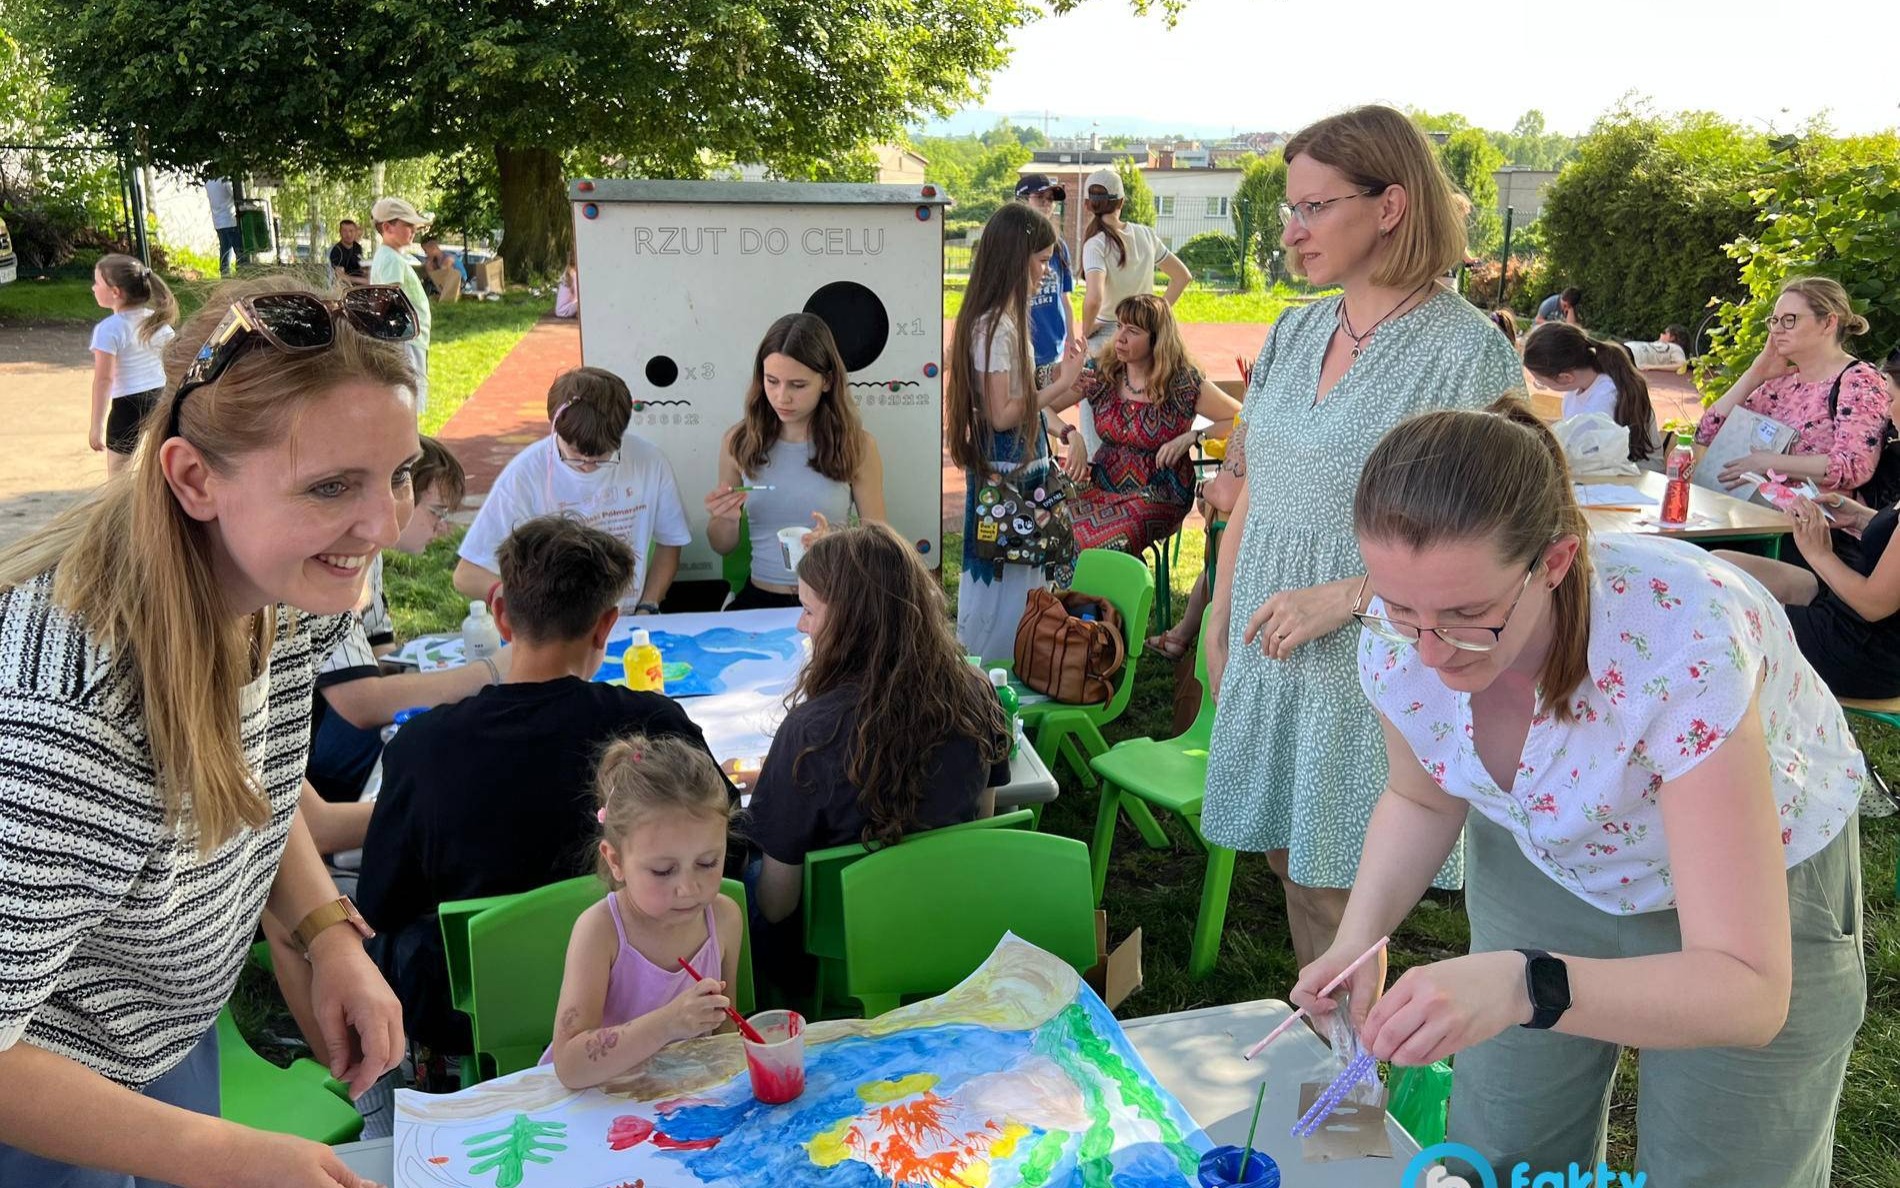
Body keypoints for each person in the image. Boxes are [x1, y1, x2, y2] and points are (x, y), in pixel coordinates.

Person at [1294, 400, 1866, 1186]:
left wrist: (1524, 984)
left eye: (1469, 615)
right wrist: (1358, 941)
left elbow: (1748, 992)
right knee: (1504, 1152)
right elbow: (1422, 799)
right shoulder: (1401, 641)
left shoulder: (1682, 641)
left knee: (1722, 1166)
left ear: (1556, 562)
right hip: (1546, 860)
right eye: (1400, 609)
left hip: (1751, 885)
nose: (1430, 654)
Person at [0, 276, 414, 1186]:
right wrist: (219, 1156)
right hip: (40, 1102)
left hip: (157, 1033)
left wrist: (325, 931)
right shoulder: (66, 726)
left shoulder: (281, 587)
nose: (384, 523)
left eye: (398, 473)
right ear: (192, 478)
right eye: (332, 486)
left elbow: (247, 780)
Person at [1201, 104, 1525, 975]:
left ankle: (1355, 1052)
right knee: (1286, 859)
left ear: (1390, 205)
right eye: (1291, 209)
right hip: (1271, 634)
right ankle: (1333, 1039)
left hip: (1378, 648)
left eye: (1314, 207)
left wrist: (1347, 596)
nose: (1291, 231)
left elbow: (1504, 540)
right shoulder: (1294, 329)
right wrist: (1218, 614)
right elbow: (1258, 487)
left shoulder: (1466, 354)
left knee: (1343, 888)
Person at [359, 514, 727, 1057]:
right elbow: (728, 849)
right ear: (605, 626)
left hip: (474, 1015)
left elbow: (379, 906)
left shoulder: (421, 746)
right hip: (649, 996)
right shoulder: (658, 725)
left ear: (501, 616)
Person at [746, 523, 1011, 928]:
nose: (801, 625)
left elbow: (777, 905)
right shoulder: (977, 691)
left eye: (809, 611)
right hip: (952, 919)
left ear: (850, 622)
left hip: (844, 946)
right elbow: (984, 824)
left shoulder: (809, 734)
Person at [545, 733, 743, 1090]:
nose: (689, 888)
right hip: (598, 1103)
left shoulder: (725, 918)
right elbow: (570, 1066)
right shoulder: (600, 931)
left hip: (679, 1099)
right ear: (616, 861)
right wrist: (669, 1023)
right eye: (663, 871)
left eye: (708, 862)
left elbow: (725, 1034)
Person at [306, 436, 491, 803]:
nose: (443, 528)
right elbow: (361, 701)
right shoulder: (333, 564)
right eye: (436, 512)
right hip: (316, 755)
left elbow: (384, 654)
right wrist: (489, 672)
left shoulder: (367, 560)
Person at [946, 202, 1089, 662]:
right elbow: (1002, 414)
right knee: (1008, 583)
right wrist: (1063, 384)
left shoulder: (1001, 321)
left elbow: (1015, 400)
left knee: (1020, 578)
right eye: (1042, 260)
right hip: (1007, 477)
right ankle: (998, 674)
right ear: (1016, 259)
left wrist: (1056, 383)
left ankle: (1012, 668)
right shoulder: (994, 326)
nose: (1047, 272)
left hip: (1015, 472)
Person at [454, 366, 689, 615]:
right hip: (554, 624)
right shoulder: (525, 475)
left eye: (601, 457)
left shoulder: (649, 462)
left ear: (621, 434)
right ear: (555, 428)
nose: (587, 465)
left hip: (626, 618)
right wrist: (523, 604)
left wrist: (648, 605)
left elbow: (670, 542)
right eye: (574, 454)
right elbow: (467, 574)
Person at [705, 313, 886, 610]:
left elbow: (878, 543)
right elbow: (722, 546)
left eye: (798, 385)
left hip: (831, 599)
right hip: (760, 599)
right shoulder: (738, 442)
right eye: (772, 381)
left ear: (827, 381)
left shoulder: (858, 446)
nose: (782, 397)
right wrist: (725, 518)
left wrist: (835, 544)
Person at [1054, 293, 1240, 555]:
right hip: (1102, 484)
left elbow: (1240, 417)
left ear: (1156, 339)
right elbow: (1043, 407)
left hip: (1160, 492)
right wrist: (1071, 434)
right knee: (1055, 525)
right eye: (1119, 326)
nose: (1120, 337)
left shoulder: (1181, 383)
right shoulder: (1103, 372)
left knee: (1111, 539)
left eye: (1132, 331)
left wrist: (1193, 436)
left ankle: (1116, 579)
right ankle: (1089, 583)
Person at [1695, 277, 1886, 495]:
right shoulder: (1782, 382)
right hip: (1756, 510)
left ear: (1828, 323)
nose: (1777, 330)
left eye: (1789, 320)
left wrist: (1769, 462)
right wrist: (1754, 374)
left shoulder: (1859, 380)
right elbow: (1707, 435)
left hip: (1812, 515)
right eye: (1774, 321)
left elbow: (1853, 465)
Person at [1079, 168, 1191, 353]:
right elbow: (1182, 277)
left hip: (1109, 335)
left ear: (1087, 205)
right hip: (1144, 333)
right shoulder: (1146, 234)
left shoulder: (1095, 244)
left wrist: (1087, 330)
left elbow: (1094, 298)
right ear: (1122, 201)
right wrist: (1154, 316)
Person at [88, 253, 179, 474]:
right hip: (161, 399)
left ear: (115, 292)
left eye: (97, 283)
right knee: (160, 471)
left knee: (119, 477)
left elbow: (104, 379)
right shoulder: (158, 323)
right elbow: (174, 364)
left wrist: (96, 426)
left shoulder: (109, 329)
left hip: (128, 406)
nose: (93, 288)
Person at [1522, 321, 1661, 465]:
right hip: (1609, 470)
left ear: (1565, 378)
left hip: (1637, 474)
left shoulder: (1605, 398)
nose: (1542, 385)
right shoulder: (1580, 389)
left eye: (1541, 383)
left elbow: (1588, 455)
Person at [368, 196, 434, 416]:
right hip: (406, 337)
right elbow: (386, 299)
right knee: (410, 393)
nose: (413, 230)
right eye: (407, 224)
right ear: (388, 227)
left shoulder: (389, 256)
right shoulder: (391, 259)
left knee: (411, 390)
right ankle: (409, 432)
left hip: (410, 336)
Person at [1016, 173, 1082, 387]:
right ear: (1022, 200)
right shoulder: (1011, 244)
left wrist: (1070, 339)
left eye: (1051, 199)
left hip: (1053, 344)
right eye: (1039, 198)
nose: (1046, 204)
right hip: (1021, 346)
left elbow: (1065, 298)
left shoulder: (1059, 246)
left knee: (1049, 402)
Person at [206, 177, 240, 277]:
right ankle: (242, 274)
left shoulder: (208, 181)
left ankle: (225, 276)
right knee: (240, 251)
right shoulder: (224, 180)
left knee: (225, 250)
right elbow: (235, 195)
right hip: (230, 220)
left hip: (218, 221)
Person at [419, 236, 465, 302]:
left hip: (460, 282)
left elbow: (441, 277)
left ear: (433, 248)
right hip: (447, 284)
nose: (425, 253)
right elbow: (431, 277)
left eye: (425, 250)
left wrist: (429, 265)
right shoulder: (436, 260)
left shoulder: (448, 258)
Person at [328, 219, 368, 285]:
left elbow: (360, 267)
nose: (348, 234)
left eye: (351, 231)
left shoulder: (357, 247)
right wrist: (363, 281)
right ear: (340, 232)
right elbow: (340, 276)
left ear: (355, 232)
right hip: (344, 287)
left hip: (360, 284)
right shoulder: (337, 251)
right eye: (345, 231)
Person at [555, 247, 579, 319]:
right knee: (583, 301)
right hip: (565, 310)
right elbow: (578, 295)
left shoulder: (567, 272)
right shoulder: (573, 274)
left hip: (560, 310)